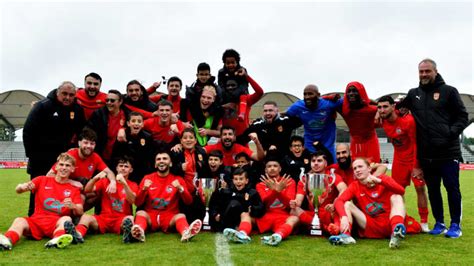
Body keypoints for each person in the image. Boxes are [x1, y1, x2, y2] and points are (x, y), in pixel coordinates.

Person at [398, 58, 468, 238]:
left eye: (427, 71)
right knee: (433, 190)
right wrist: (378, 109)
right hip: (427, 154)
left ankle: (455, 225)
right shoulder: (413, 94)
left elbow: (462, 116)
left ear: (435, 71)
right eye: (421, 72)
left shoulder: (449, 91)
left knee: (452, 188)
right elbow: (396, 108)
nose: (424, 75)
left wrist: (450, 133)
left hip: (448, 151)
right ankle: (439, 222)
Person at [23, 81, 86, 216]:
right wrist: (32, 155)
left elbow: (82, 132)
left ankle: (59, 219)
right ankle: (33, 216)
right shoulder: (43, 106)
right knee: (37, 188)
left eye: (71, 95)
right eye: (64, 94)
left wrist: (74, 151)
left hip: (61, 159)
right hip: (40, 157)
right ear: (57, 93)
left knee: (61, 188)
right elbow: (28, 131)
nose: (67, 97)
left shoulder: (77, 110)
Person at [0, 153, 83, 250]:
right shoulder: (41, 180)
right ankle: (7, 241)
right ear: (56, 167)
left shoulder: (74, 189)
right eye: (61, 164)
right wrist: (21, 187)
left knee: (66, 219)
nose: (64, 168)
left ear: (72, 169)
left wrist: (73, 206)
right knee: (19, 220)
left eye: (67, 165)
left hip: (55, 223)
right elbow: (19, 190)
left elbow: (80, 211)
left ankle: (57, 240)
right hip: (36, 221)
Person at [377, 95, 430, 233]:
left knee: (420, 189)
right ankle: (402, 219)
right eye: (379, 107)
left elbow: (415, 144)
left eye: (385, 107)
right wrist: (376, 112)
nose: (382, 110)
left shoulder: (408, 121)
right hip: (398, 160)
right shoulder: (382, 119)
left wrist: (417, 166)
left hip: (413, 158)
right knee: (397, 192)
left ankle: (424, 222)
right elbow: (366, 103)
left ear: (393, 107)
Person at [330, 158, 406, 249]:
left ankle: (396, 233)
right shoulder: (355, 185)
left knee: (397, 196)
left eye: (360, 167)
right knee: (347, 204)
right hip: (370, 225)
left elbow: (401, 190)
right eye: (355, 168)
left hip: (390, 223)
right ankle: (346, 236)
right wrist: (344, 217)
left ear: (369, 169)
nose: (357, 170)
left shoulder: (383, 178)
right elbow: (339, 201)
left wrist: (380, 182)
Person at [131, 151, 203, 242]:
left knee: (180, 216)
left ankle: (186, 232)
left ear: (171, 163)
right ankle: (139, 232)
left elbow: (188, 201)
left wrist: (181, 189)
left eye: (165, 159)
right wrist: (143, 190)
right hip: (150, 215)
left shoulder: (178, 179)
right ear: (155, 164)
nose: (161, 161)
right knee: (140, 213)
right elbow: (137, 203)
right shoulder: (147, 178)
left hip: (169, 217)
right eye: (158, 159)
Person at [46, 128, 116, 211]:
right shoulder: (70, 155)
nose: (89, 146)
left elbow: (108, 172)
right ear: (79, 143)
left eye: (92, 143)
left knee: (102, 193)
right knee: (81, 198)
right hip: (65, 189)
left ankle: (101, 217)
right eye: (85, 143)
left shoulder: (95, 157)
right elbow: (49, 175)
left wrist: (113, 182)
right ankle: (74, 218)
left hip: (81, 188)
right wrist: (71, 182)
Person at [74, 156, 138, 243]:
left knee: (130, 218)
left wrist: (124, 184)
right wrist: (96, 178)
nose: (123, 168)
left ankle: (127, 235)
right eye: (121, 166)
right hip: (104, 219)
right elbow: (87, 190)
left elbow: (132, 201)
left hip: (120, 219)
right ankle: (78, 235)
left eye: (126, 166)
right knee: (86, 217)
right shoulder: (105, 182)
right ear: (116, 168)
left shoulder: (133, 185)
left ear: (131, 170)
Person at [290, 151, 347, 236]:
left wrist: (335, 203)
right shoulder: (304, 179)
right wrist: (294, 203)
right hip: (312, 215)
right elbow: (298, 201)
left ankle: (336, 228)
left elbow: (344, 189)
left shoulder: (332, 176)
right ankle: (324, 228)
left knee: (340, 209)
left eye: (319, 161)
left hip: (329, 212)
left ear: (325, 163)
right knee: (293, 210)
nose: (316, 163)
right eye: (313, 161)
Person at [285, 84, 342, 160]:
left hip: (327, 144)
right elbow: (285, 113)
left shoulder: (327, 104)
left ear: (318, 95)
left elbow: (345, 102)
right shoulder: (298, 106)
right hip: (310, 144)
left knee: (331, 167)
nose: (307, 97)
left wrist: (329, 97)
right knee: (310, 167)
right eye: (305, 94)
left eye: (310, 94)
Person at [170, 129, 210, 224]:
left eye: (191, 137)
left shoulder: (202, 153)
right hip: (182, 190)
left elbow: (207, 172)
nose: (188, 140)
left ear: (196, 140)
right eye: (185, 138)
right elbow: (170, 170)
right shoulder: (176, 152)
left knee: (198, 216)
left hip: (198, 190)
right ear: (181, 141)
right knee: (185, 216)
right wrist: (180, 167)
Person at [219, 168, 265, 242]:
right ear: (233, 181)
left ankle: (241, 232)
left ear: (246, 181)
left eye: (241, 179)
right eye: (236, 179)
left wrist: (253, 209)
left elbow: (261, 208)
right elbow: (220, 206)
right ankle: (231, 228)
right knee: (233, 204)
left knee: (242, 211)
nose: (238, 181)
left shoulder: (252, 193)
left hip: (246, 220)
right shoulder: (227, 192)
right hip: (229, 221)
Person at [340, 81, 380, 163]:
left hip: (371, 143)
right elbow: (323, 101)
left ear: (361, 92)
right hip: (355, 143)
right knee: (356, 169)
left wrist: (379, 109)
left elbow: (393, 108)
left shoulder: (371, 110)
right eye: (349, 91)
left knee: (372, 168)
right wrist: (330, 97)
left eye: (355, 91)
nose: (351, 93)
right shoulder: (344, 109)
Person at [88, 90, 130, 165]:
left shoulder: (127, 115)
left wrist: (123, 129)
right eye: (107, 100)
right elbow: (89, 130)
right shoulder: (98, 114)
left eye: (112, 100)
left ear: (120, 102)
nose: (109, 103)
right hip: (100, 154)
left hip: (119, 157)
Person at [112, 112, 155, 184]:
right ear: (128, 123)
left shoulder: (148, 137)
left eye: (139, 121)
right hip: (124, 170)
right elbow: (115, 155)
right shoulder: (122, 135)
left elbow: (149, 158)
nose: (136, 123)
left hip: (140, 171)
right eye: (133, 121)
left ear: (142, 124)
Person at [221, 73, 264, 138]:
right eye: (228, 86)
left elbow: (260, 92)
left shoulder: (246, 99)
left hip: (242, 139)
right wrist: (223, 106)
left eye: (233, 85)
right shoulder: (221, 101)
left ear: (238, 87)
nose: (230, 87)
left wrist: (247, 76)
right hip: (226, 140)